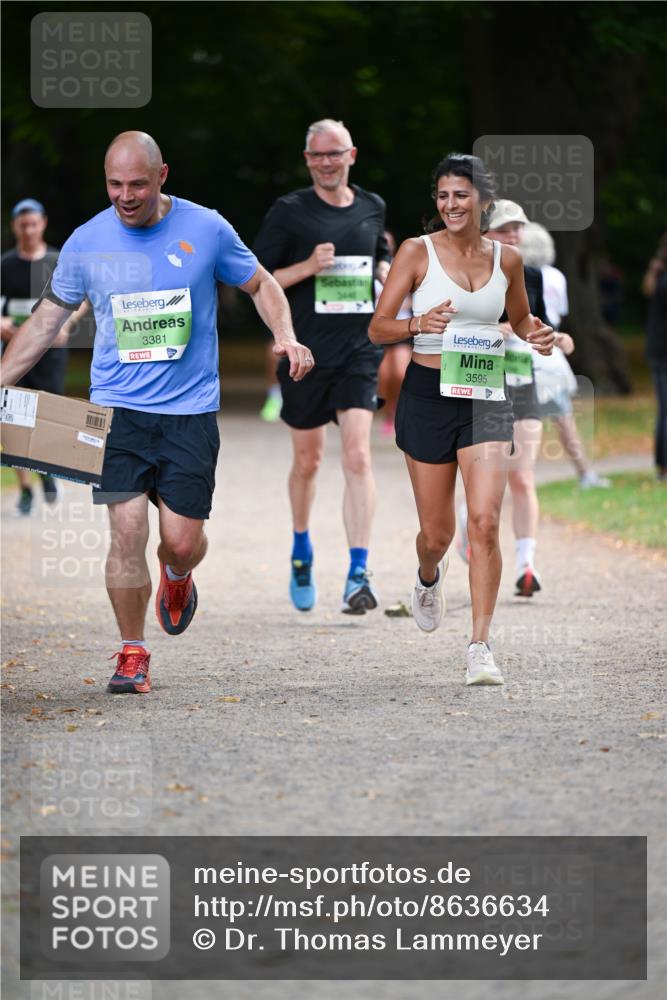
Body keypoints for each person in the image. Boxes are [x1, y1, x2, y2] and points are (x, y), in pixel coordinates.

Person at [1, 131, 313, 694]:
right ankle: (132, 651)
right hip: (118, 411)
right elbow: (46, 321)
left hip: (189, 411)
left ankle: (178, 573)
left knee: (180, 540)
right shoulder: (86, 241)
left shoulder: (206, 228)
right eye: (115, 185)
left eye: (137, 184)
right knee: (125, 531)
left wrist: (286, 335)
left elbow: (262, 284)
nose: (125, 196)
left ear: (162, 175)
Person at [369, 154, 554, 685]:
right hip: (427, 394)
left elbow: (517, 318)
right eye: (444, 196)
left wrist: (534, 333)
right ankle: (429, 576)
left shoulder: (509, 259)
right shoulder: (415, 252)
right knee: (437, 533)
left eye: (462, 195)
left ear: (484, 202)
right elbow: (378, 329)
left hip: (484, 394)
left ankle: (480, 646)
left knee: (484, 522)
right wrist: (416, 322)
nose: (451, 205)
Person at [253, 118, 391, 614]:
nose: (327, 163)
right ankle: (301, 549)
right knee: (309, 461)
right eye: (317, 156)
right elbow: (257, 281)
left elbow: (382, 262)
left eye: (335, 154)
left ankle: (359, 572)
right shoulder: (289, 212)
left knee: (357, 456)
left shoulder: (373, 207)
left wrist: (384, 272)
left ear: (352, 155)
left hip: (359, 350)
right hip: (304, 354)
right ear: (307, 159)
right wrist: (308, 267)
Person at [520, 222, 611, 489]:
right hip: (549, 351)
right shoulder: (556, 277)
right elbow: (558, 314)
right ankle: (584, 472)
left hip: (519, 349)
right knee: (562, 417)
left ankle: (520, 475)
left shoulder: (516, 273)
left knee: (522, 419)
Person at [1, 199, 72, 513]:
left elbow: (78, 298)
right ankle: (26, 488)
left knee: (45, 418)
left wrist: (66, 324)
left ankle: (46, 475)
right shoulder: (5, 265)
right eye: (22, 224)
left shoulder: (57, 261)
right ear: (15, 226)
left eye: (33, 223)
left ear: (43, 223)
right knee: (14, 420)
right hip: (14, 351)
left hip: (50, 354)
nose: (28, 230)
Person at [375, 230, 413, 437]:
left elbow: (419, 296)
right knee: (383, 375)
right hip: (379, 330)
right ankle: (389, 414)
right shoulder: (367, 269)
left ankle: (397, 410)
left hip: (402, 328)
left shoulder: (406, 267)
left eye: (389, 242)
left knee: (399, 372)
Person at [642, 232, 667, 482]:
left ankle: (662, 465)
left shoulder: (660, 275)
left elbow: (647, 290)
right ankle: (663, 465)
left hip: (658, 350)